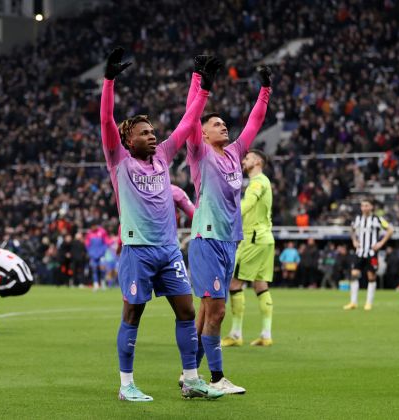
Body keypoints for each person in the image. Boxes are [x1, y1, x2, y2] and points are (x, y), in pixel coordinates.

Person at [101, 47, 221, 401]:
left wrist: (204, 88)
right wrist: (108, 80)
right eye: (144, 132)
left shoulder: (164, 159)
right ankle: (126, 385)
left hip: (169, 251)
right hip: (138, 251)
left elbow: (187, 123)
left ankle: (191, 379)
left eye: (153, 131)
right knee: (132, 315)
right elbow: (107, 122)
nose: (152, 136)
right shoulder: (118, 161)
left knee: (186, 311)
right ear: (127, 140)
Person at [185, 56, 272, 394]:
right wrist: (200, 82)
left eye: (224, 123)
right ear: (202, 132)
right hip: (207, 240)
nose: (223, 126)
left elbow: (255, 120)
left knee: (207, 312)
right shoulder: (199, 152)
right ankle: (217, 378)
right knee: (217, 312)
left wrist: (265, 89)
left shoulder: (235, 153)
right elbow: (190, 116)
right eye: (216, 124)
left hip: (229, 242)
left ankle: (189, 376)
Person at [222, 149, 275, 348]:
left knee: (234, 284)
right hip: (265, 238)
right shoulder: (264, 182)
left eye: (248, 157)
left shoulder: (258, 182)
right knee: (261, 286)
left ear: (258, 161)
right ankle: (266, 334)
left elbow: (247, 204)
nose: (244, 160)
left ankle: (236, 334)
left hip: (253, 239)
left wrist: (227, 216)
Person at [344, 198, 394, 310]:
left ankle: (368, 303)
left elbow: (390, 230)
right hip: (360, 252)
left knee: (371, 277)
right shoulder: (357, 219)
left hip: (372, 253)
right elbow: (351, 229)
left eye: (366, 205)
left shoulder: (377, 219)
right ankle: (353, 302)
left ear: (371, 207)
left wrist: (381, 243)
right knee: (354, 275)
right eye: (362, 206)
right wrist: (354, 240)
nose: (364, 208)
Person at [84, 222, 110, 290]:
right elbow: (87, 244)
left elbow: (106, 242)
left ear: (96, 225)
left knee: (102, 269)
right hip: (93, 255)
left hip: (101, 255)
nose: (92, 228)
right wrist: (90, 253)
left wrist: (103, 252)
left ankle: (103, 283)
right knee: (94, 269)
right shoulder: (89, 233)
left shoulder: (102, 232)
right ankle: (96, 284)